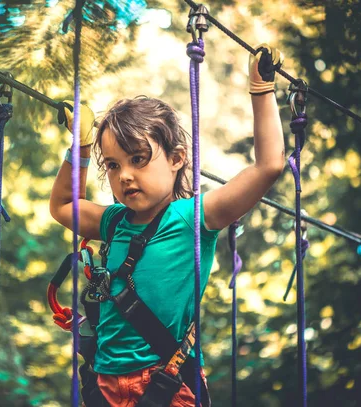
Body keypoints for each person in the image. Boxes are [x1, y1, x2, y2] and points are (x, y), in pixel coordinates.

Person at [50, 44, 285, 407]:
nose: (125, 175)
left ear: (176, 159)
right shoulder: (113, 222)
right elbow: (64, 205)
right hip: (104, 386)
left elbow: (268, 166)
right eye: (112, 165)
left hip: (166, 385)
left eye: (138, 159)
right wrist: (79, 147)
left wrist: (261, 89)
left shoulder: (194, 218)